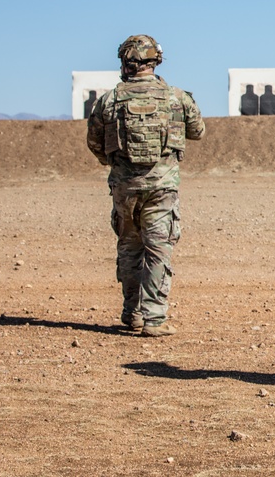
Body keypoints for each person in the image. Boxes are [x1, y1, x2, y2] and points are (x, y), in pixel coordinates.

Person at [87, 35, 205, 337]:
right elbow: (197, 131)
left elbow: (94, 142)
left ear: (126, 62)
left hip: (124, 188)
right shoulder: (176, 97)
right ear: (156, 61)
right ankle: (154, 319)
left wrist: (116, 165)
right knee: (158, 250)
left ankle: (132, 314)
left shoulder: (110, 100)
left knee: (129, 247)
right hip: (162, 187)